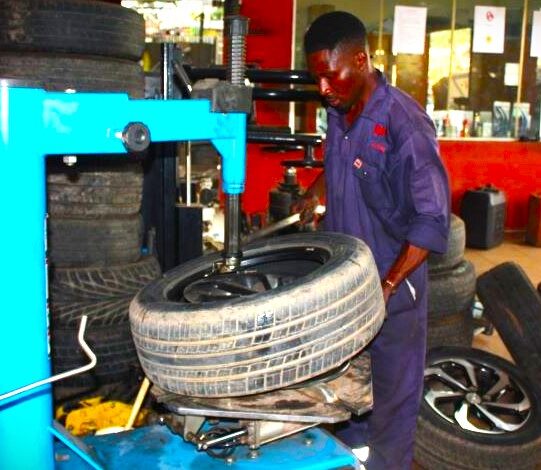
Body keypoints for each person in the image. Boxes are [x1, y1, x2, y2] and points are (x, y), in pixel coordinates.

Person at [301, 11, 450, 470]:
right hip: (347, 286)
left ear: (361, 59)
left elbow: (431, 219)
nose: (323, 88)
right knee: (348, 393)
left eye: (331, 75)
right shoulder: (339, 109)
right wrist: (317, 190)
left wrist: (385, 288)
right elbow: (344, 159)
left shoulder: (406, 124)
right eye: (317, 79)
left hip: (393, 290)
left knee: (392, 401)